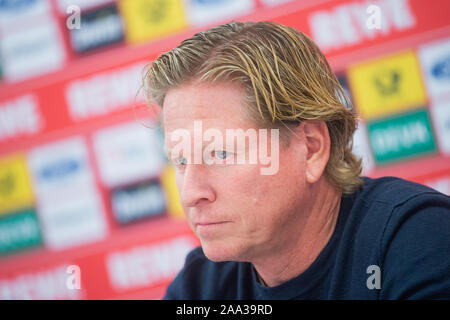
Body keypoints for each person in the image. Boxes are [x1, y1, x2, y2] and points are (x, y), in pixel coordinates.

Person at [143, 21, 450, 299]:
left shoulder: (419, 239)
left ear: (311, 149)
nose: (191, 194)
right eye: (180, 161)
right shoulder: (201, 287)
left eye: (220, 154)